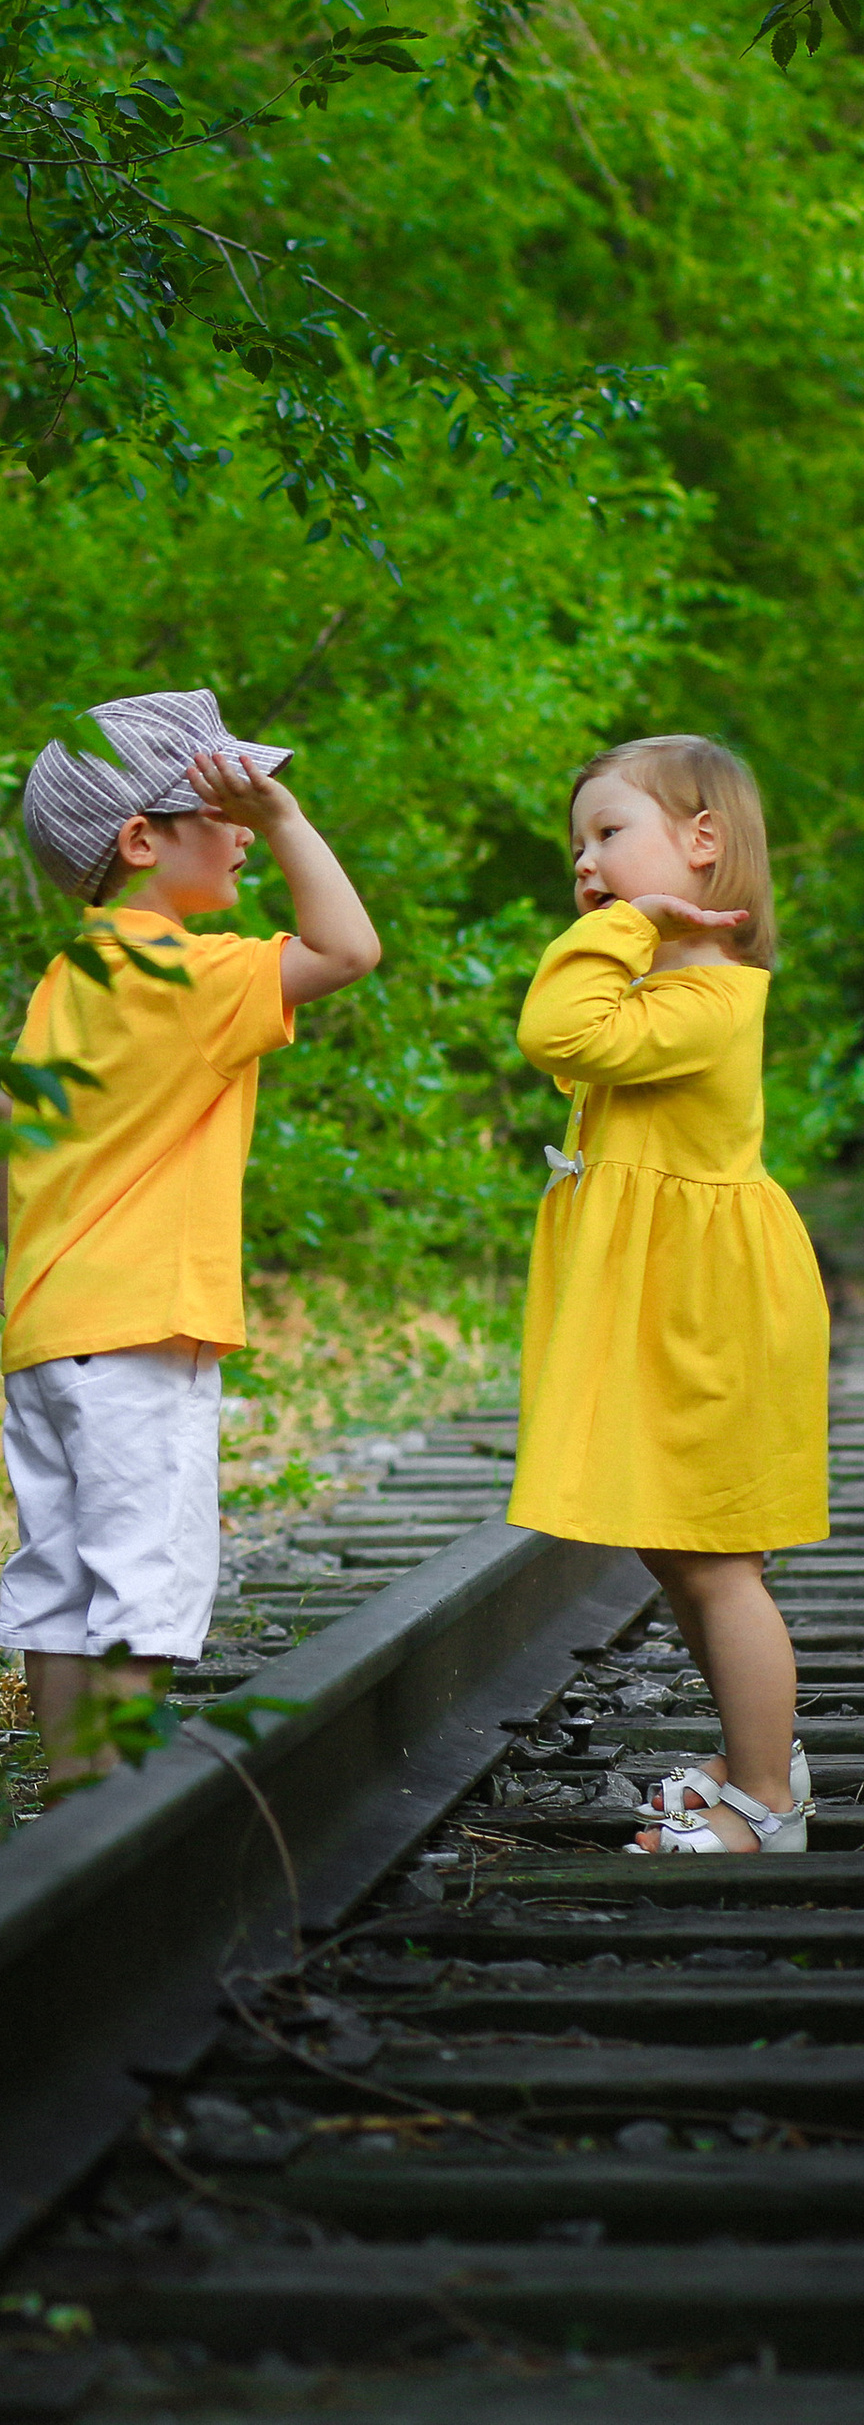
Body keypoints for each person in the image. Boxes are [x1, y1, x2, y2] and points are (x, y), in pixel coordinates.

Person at [0, 690, 381, 1784]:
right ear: (141, 839)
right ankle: (117, 1826)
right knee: (138, 1585)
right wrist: (301, 823)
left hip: (47, 1329)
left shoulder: (61, 981)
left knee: (61, 1582)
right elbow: (347, 948)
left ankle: (71, 1812)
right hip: (143, 1331)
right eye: (225, 805)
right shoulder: (188, 977)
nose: (251, 828)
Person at [509, 735, 829, 1855]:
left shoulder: (710, 994)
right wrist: (635, 928)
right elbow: (578, 1042)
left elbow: (554, 1028)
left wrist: (626, 923)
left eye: (609, 834)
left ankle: (767, 1803)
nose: (585, 865)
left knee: (715, 1558)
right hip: (666, 1305)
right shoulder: (666, 985)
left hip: (708, 1312)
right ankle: (756, 1757)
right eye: (577, 847)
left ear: (702, 843)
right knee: (670, 1544)